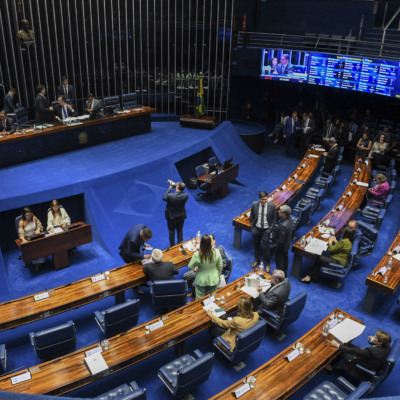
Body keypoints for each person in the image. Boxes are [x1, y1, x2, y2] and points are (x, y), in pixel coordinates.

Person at [119, 224, 152, 294]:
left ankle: (143, 282)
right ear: (142, 235)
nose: (147, 241)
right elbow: (130, 253)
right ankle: (135, 287)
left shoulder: (143, 227)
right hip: (127, 253)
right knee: (134, 269)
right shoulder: (132, 240)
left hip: (134, 248)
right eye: (146, 239)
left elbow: (141, 239)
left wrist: (144, 243)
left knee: (140, 264)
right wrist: (143, 257)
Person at [250, 191, 278, 272]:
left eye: (265, 199)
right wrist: (253, 228)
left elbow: (274, 219)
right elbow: (252, 216)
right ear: (259, 199)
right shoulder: (255, 204)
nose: (264, 201)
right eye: (262, 199)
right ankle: (256, 260)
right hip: (257, 229)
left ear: (267, 197)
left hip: (266, 230)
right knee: (256, 246)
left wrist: (270, 229)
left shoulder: (272, 206)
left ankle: (267, 264)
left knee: (266, 248)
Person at [163, 181, 189, 247]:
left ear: (177, 187)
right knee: (180, 230)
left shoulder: (170, 196)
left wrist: (170, 189)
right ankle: (180, 245)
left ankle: (173, 246)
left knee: (172, 232)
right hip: (181, 217)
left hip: (172, 217)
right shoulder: (186, 195)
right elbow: (180, 192)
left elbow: (164, 197)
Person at [273, 205, 294, 275]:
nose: (278, 211)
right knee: (285, 258)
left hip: (281, 247)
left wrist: (276, 246)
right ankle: (285, 272)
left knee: (279, 261)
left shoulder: (283, 226)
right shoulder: (290, 219)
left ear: (284, 214)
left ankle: (280, 275)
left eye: (280, 211)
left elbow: (281, 240)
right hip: (287, 244)